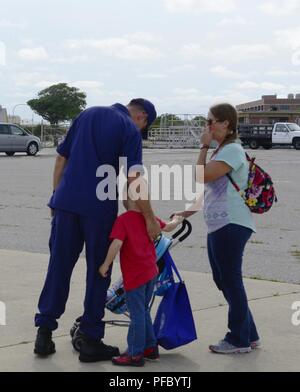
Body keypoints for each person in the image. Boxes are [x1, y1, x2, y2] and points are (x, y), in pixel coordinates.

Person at [34, 99, 162, 363]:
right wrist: (149, 218)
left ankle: (44, 332)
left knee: (59, 266)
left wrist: (56, 197)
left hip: (65, 205)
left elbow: (61, 157)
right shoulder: (129, 129)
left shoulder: (86, 114)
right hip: (99, 210)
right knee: (99, 270)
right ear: (143, 118)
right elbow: (134, 178)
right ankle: (90, 339)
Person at [177, 103, 260, 354]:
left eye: (211, 121)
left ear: (226, 124)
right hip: (220, 225)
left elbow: (201, 176)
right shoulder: (223, 150)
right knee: (223, 280)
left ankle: (238, 339)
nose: (207, 126)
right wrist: (186, 212)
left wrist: (203, 146)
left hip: (231, 224)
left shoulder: (232, 150)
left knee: (230, 280)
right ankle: (249, 334)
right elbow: (210, 192)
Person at [99, 198, 184, 367]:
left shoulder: (123, 220)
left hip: (135, 276)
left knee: (137, 314)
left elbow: (116, 244)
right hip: (151, 272)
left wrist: (105, 265)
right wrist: (178, 219)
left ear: (127, 200)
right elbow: (168, 226)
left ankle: (134, 353)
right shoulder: (149, 219)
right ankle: (150, 347)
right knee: (143, 311)